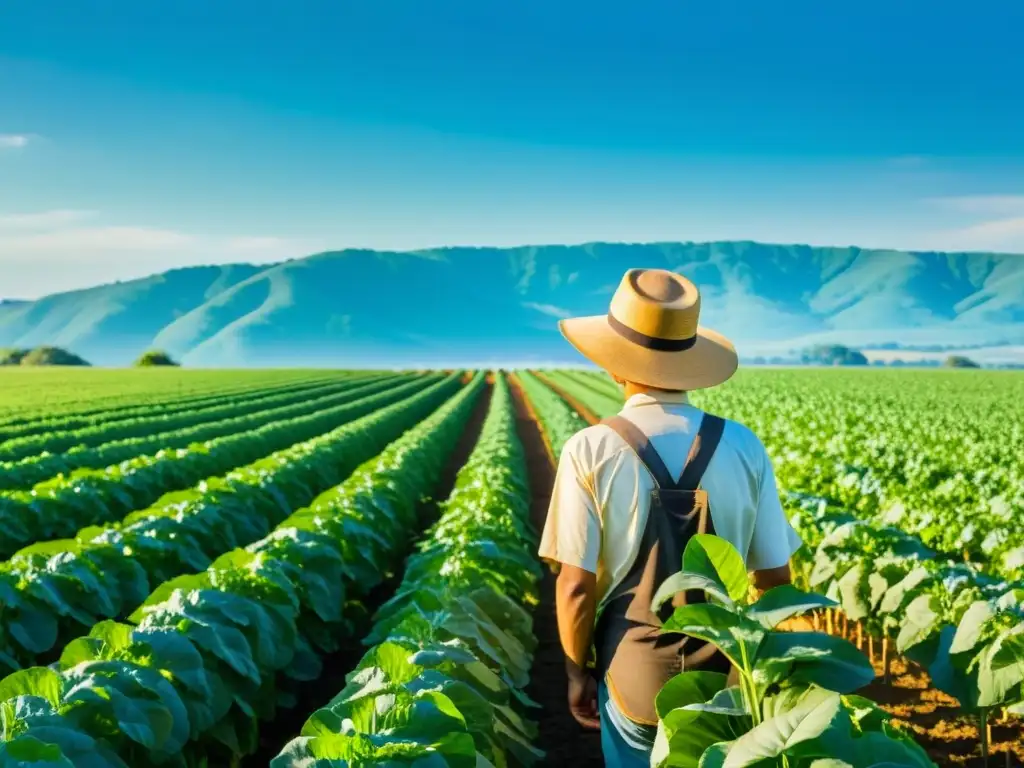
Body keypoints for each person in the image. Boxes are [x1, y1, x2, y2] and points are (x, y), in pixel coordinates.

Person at [538, 268, 803, 767]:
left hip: (632, 673)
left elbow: (576, 587)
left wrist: (577, 672)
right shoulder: (744, 446)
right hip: (727, 681)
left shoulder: (590, 448)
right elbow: (775, 579)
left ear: (615, 364)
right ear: (688, 361)